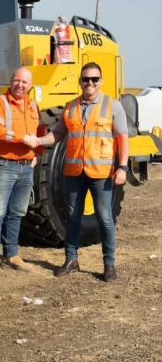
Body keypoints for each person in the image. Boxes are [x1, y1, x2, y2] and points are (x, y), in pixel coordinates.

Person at [35, 62, 129, 282]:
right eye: (86, 79)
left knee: (104, 218)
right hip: (74, 172)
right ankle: (71, 260)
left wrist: (122, 168)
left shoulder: (112, 106)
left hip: (102, 173)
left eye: (94, 79)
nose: (90, 83)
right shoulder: (70, 107)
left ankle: (109, 264)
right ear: (80, 81)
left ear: (101, 81)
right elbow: (57, 135)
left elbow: (122, 139)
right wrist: (38, 140)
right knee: (73, 217)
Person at [0, 67, 45, 278]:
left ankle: (12, 255)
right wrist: (22, 139)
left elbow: (40, 132)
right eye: (17, 80)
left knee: (16, 213)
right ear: (11, 81)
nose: (20, 85)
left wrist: (38, 153)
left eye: (25, 82)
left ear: (30, 86)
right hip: (3, 165)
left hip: (26, 167)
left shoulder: (34, 106)